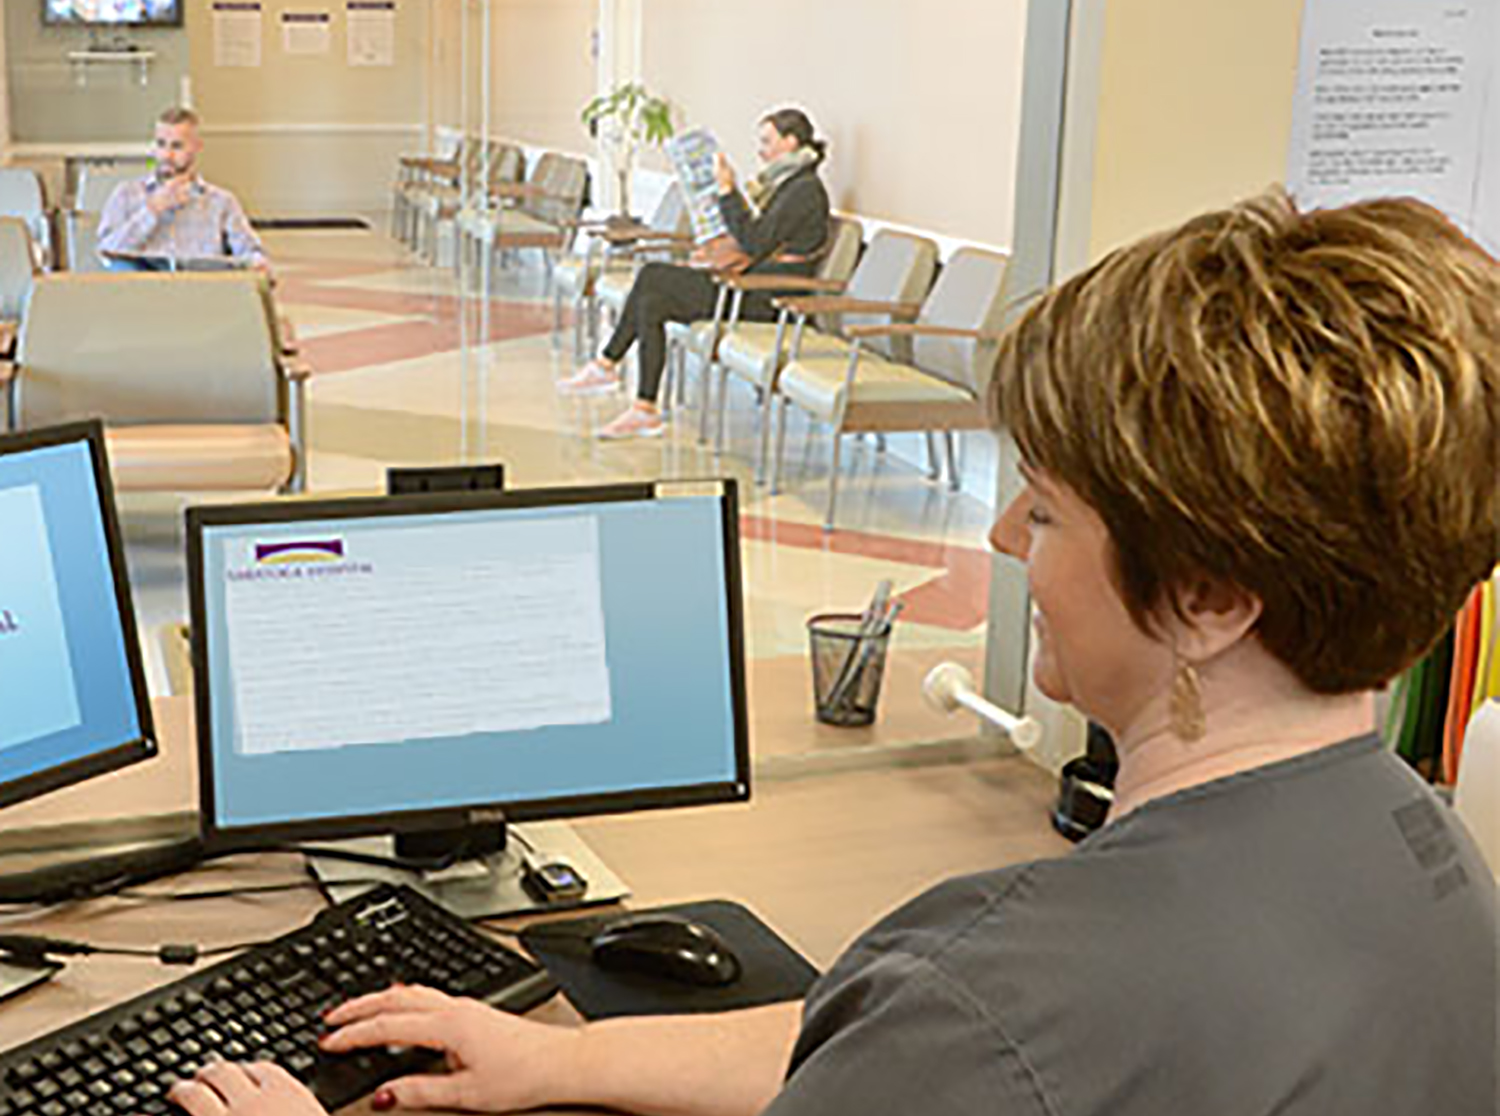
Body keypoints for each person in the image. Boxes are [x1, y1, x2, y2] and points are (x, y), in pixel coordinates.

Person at [166, 191, 1498, 1116]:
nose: (1002, 534)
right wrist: (557, 1062)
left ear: (1207, 593)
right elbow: (878, 1049)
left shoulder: (998, 988)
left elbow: (951, 1041)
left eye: (1046, 507)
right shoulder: (1423, 855)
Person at [556, 108, 832, 441]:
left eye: (767, 142)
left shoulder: (804, 190)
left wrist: (728, 192)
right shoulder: (789, 184)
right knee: (653, 301)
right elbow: (760, 241)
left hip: (766, 298)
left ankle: (607, 367)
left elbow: (756, 241)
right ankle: (642, 407)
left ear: (790, 142)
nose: (761, 150)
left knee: (653, 275)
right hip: (748, 284)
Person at [96, 107, 268, 272]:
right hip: (143, 289)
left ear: (197, 147)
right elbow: (106, 253)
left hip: (200, 288)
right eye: (161, 144)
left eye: (177, 146)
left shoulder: (221, 202)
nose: (166, 155)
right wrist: (153, 210)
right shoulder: (126, 194)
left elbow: (251, 251)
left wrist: (257, 263)